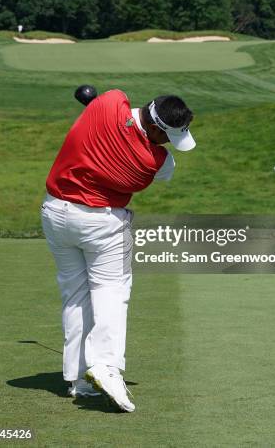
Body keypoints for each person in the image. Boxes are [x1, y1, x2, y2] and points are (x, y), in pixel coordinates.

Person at [41, 89, 195, 412]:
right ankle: (106, 366)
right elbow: (160, 163)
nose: (168, 144)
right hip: (101, 222)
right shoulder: (156, 162)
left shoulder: (110, 101)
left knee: (75, 295)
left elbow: (112, 115)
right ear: (155, 130)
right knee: (111, 290)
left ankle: (79, 378)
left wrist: (105, 117)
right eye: (168, 137)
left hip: (55, 213)